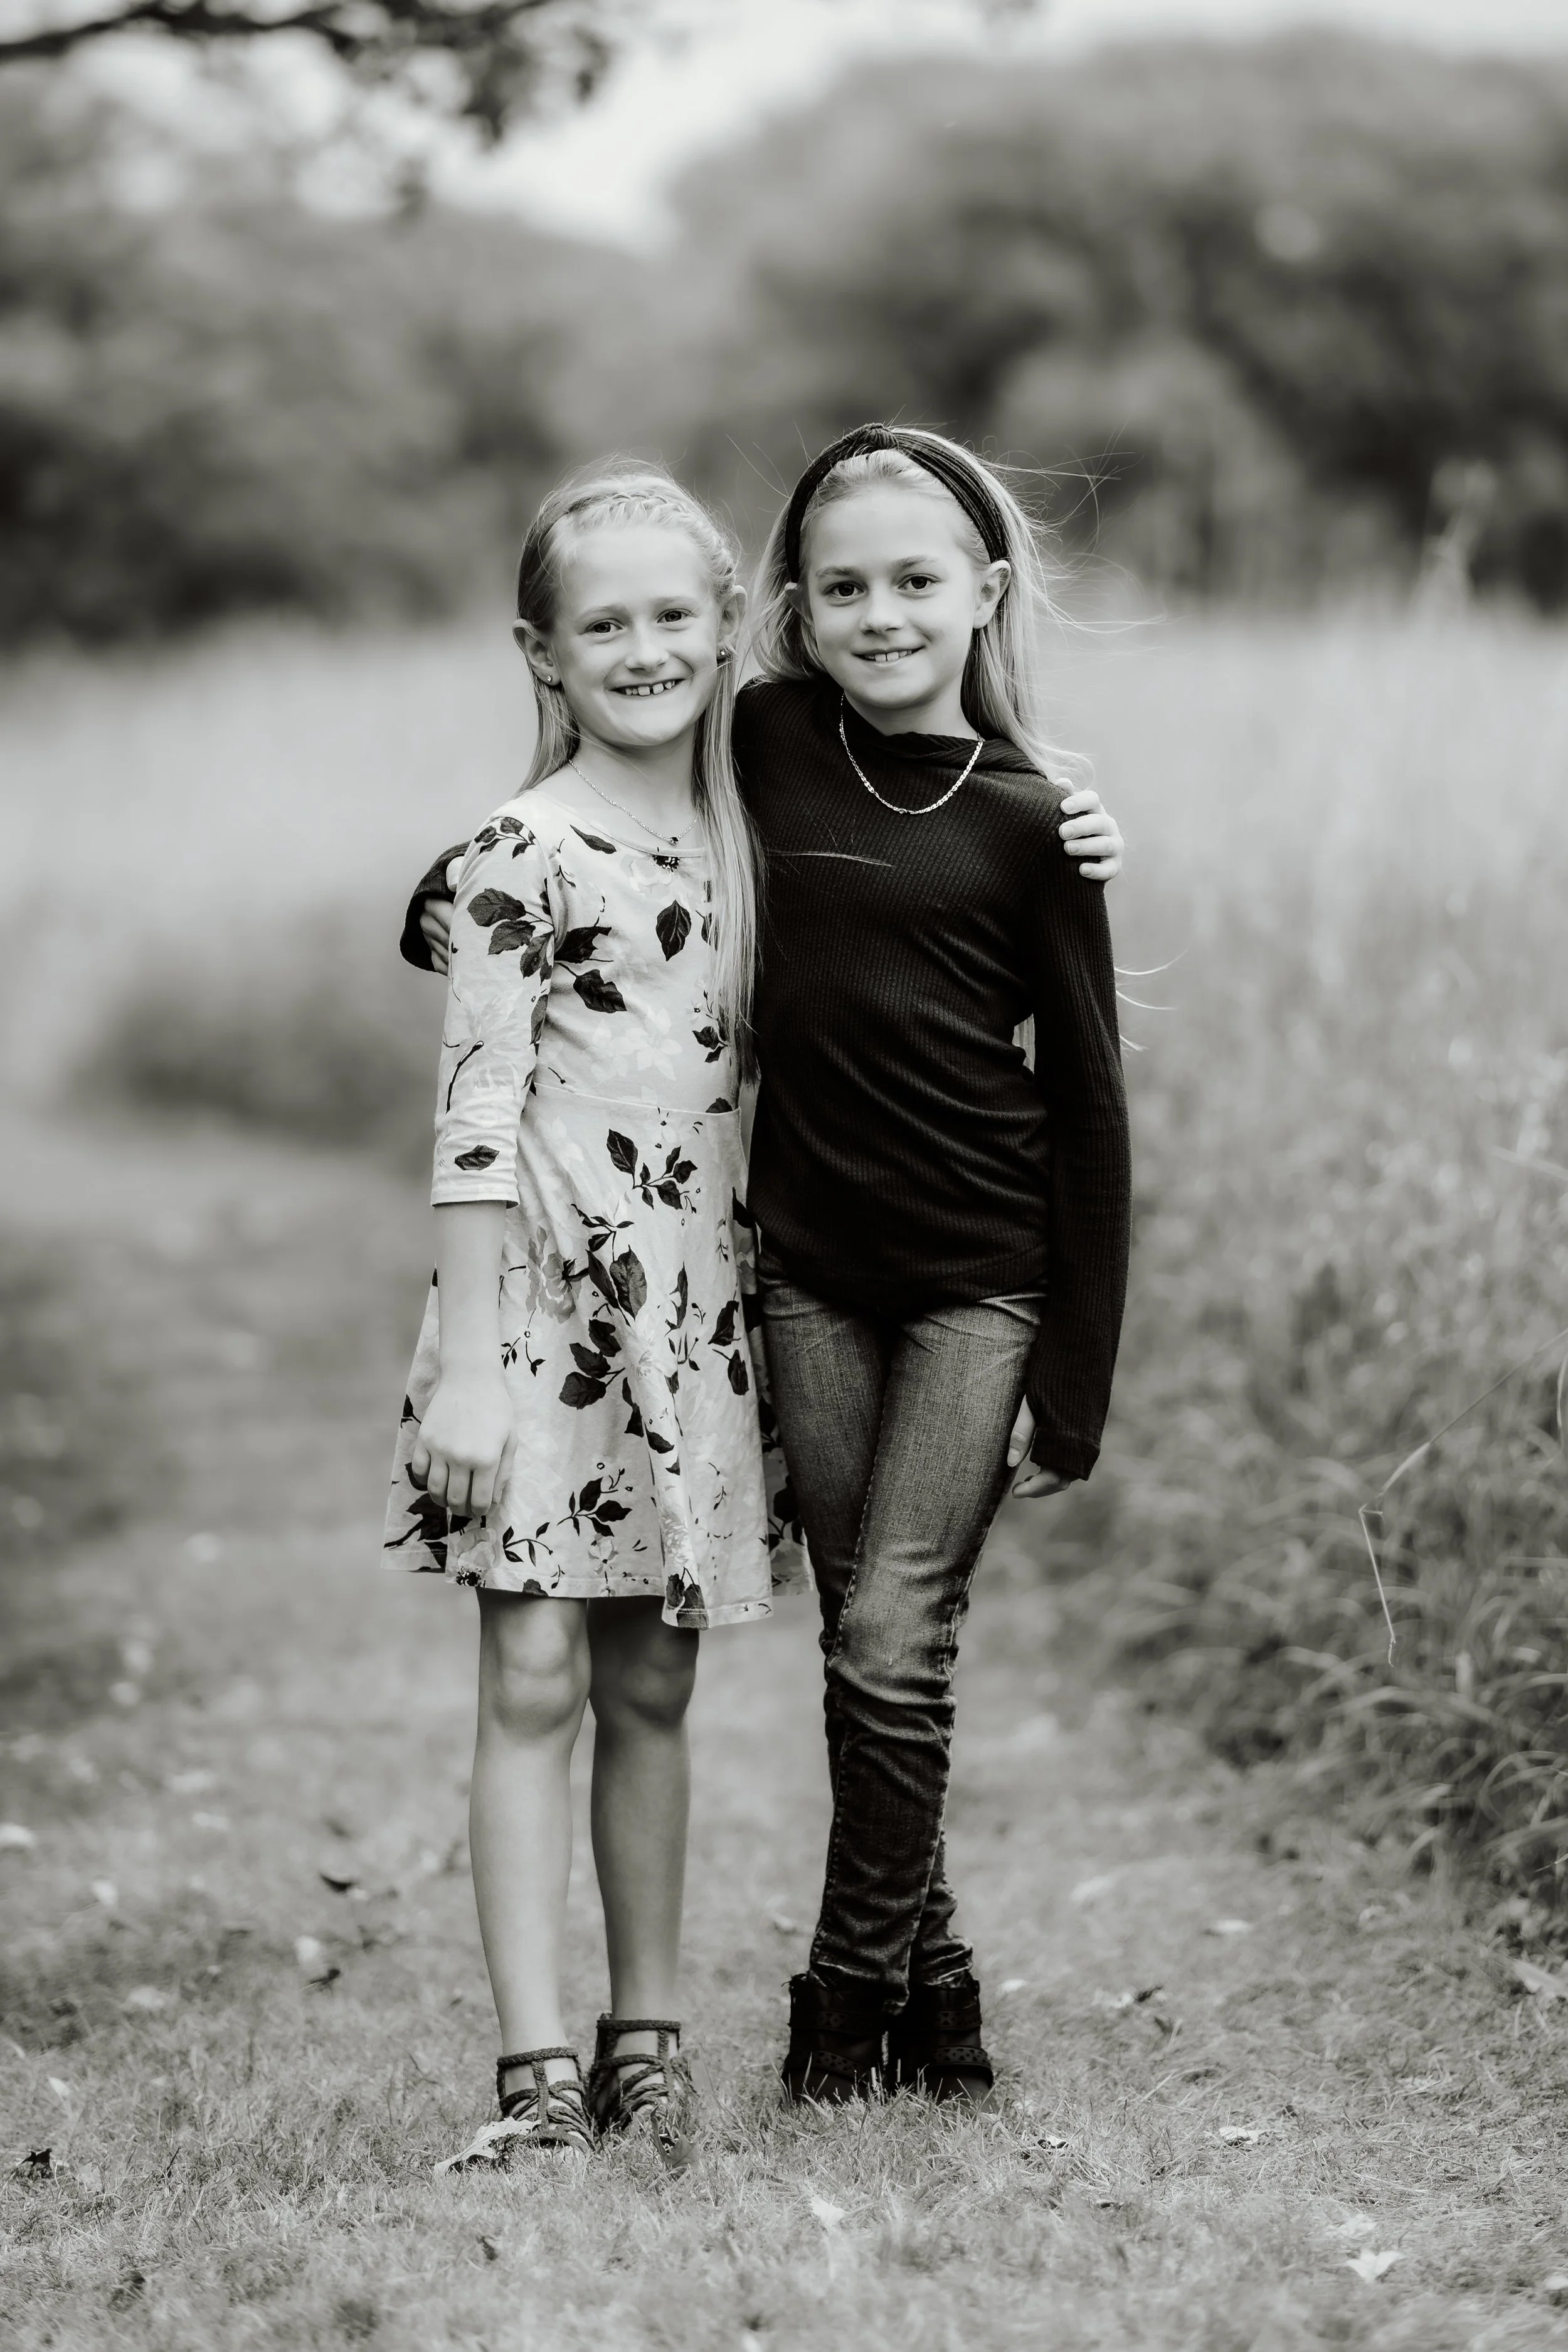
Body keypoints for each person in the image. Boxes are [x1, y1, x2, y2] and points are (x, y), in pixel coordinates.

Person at [402, 425, 1130, 2114]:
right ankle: (815, 2007)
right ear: (790, 611)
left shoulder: (948, 806)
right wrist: (452, 893)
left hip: (862, 1286)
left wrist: (1074, 1378)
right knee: (725, 1656)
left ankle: (830, 1998)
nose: (881, 614)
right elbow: (500, 903)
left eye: (917, 581)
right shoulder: (745, 748)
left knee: (820, 1647)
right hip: (676, 1283)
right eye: (847, 586)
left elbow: (1089, 1103)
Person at [384, 464, 805, 2173]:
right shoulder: (520, 853)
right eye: (602, 621)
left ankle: (648, 2037)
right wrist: (469, 1370)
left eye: (671, 613)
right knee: (535, 1668)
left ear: (727, 626)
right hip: (542, 1306)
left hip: (695, 1309)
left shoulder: (751, 835)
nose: (642, 644)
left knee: (655, 1676)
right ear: (540, 651)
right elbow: (472, 1120)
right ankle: (536, 2063)